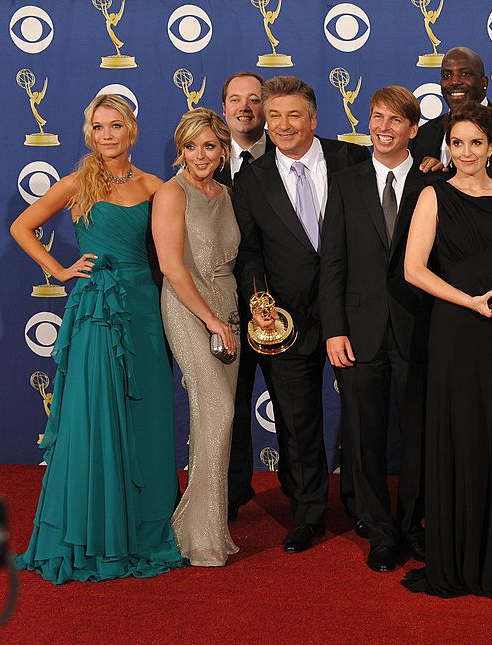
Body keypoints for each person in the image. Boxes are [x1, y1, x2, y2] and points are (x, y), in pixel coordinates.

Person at [11, 94, 186, 583]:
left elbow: (171, 256)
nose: (107, 135)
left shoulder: (155, 186)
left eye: (116, 125)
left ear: (132, 130)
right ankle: (93, 531)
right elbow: (22, 226)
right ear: (89, 133)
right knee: (93, 415)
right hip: (93, 310)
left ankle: (143, 527)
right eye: (99, 127)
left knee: (145, 414)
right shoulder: (76, 183)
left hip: (143, 308)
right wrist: (60, 270)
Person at [233, 75, 369, 554]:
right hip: (283, 321)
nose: (284, 125)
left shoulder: (353, 158)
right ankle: (307, 514)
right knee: (297, 421)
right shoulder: (249, 179)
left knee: (361, 416)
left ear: (314, 118)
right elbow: (249, 252)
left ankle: (364, 509)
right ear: (265, 122)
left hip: (353, 314)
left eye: (295, 115)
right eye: (275, 117)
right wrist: (259, 302)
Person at [402, 101, 492, 598]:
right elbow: (414, 269)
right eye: (457, 143)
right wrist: (471, 303)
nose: (466, 152)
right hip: (457, 329)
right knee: (459, 438)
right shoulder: (434, 195)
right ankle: (454, 558)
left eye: (476, 143)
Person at [319, 86, 433, 572]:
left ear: (412, 129)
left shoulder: (436, 183)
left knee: (417, 437)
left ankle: (412, 525)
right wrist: (334, 329)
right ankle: (380, 532)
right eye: (376, 118)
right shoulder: (346, 182)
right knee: (363, 438)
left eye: (394, 120)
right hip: (360, 332)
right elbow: (333, 263)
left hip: (419, 330)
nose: (383, 128)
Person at [152, 108, 241, 567]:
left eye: (209, 146)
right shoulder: (172, 193)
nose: (200, 156)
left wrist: (228, 317)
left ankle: (207, 528)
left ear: (223, 149)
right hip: (190, 307)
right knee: (218, 411)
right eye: (190, 147)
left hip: (228, 306)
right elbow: (171, 267)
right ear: (180, 149)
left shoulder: (226, 194)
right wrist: (210, 320)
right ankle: (196, 534)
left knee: (217, 420)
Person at [214, 71, 273, 524]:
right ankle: (230, 493)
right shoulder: (204, 162)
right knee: (227, 406)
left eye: (255, 100)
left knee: (293, 406)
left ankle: (301, 498)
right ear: (224, 107)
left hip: (280, 308)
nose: (245, 108)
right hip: (220, 308)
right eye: (236, 100)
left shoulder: (296, 156)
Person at [411, 46, 492, 188]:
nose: (454, 81)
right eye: (446, 75)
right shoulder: (423, 135)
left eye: (465, 74)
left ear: (484, 83)